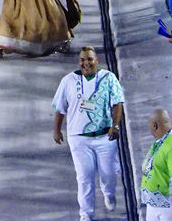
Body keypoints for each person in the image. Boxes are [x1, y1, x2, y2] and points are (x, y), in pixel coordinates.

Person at [53, 45, 125, 221]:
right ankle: (86, 214)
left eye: (90, 59)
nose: (86, 63)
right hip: (79, 138)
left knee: (108, 173)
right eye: (82, 60)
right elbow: (60, 108)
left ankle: (108, 192)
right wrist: (57, 129)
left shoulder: (108, 78)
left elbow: (117, 104)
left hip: (104, 137)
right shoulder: (68, 81)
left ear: (97, 61)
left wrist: (115, 126)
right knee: (84, 176)